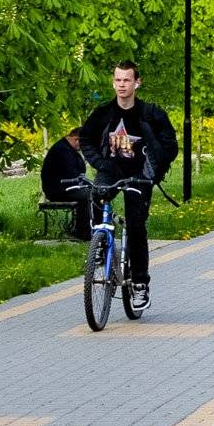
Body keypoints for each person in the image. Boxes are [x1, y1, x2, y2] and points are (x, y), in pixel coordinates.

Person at [76, 60, 179, 307]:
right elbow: (86, 139)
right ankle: (100, 243)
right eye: (118, 80)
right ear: (113, 83)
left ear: (137, 83)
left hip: (140, 175)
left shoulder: (151, 114)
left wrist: (154, 172)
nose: (122, 84)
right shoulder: (103, 113)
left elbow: (170, 147)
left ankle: (140, 284)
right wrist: (101, 163)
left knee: (135, 225)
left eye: (126, 80)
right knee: (97, 193)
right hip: (110, 169)